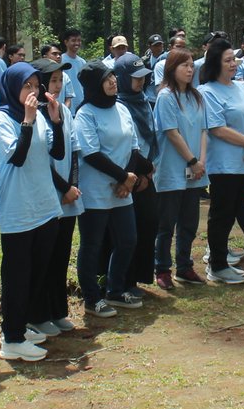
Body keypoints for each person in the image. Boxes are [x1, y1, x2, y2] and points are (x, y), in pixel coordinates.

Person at [0, 61, 64, 357]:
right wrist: (29, 121)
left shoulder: (39, 116)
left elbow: (57, 152)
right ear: (12, 88)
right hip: (18, 208)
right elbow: (17, 157)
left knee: (38, 271)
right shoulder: (2, 118)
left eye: (36, 86)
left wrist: (55, 122)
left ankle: (22, 326)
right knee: (17, 275)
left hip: (44, 204)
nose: (33, 91)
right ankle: (11, 339)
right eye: (26, 86)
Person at [77, 61, 148, 316]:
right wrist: (124, 177)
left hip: (122, 189)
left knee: (128, 240)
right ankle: (91, 299)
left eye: (113, 76)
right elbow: (91, 154)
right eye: (106, 78)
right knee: (92, 244)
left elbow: (134, 147)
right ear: (94, 84)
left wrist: (127, 179)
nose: (113, 81)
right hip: (96, 190)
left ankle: (115, 290)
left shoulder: (122, 108)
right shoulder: (85, 114)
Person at [197, 40, 244, 285]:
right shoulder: (208, 91)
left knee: (235, 210)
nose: (233, 64)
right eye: (227, 60)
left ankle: (221, 261)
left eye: (233, 59)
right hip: (224, 164)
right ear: (215, 64)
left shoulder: (239, 87)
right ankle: (217, 265)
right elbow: (217, 129)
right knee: (221, 214)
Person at [153, 48, 208, 288]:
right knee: (166, 224)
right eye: (184, 65)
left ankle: (184, 267)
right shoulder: (166, 97)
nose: (189, 69)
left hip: (195, 170)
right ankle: (162, 268)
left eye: (191, 65)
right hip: (172, 169)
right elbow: (172, 133)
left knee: (189, 222)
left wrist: (201, 161)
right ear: (171, 69)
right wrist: (193, 161)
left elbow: (204, 130)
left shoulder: (196, 96)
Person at [37, 62, 80, 335]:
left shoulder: (63, 110)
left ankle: (58, 311)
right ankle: (41, 314)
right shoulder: (34, 115)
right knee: (46, 258)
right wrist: (64, 188)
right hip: (48, 197)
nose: (57, 85)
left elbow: (74, 150)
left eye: (60, 80)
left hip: (68, 197)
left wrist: (73, 187)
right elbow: (43, 160)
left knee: (62, 256)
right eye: (52, 80)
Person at [114, 53, 161, 292]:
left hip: (147, 172)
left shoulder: (143, 100)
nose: (141, 81)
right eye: (135, 77)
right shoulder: (118, 105)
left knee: (149, 224)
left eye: (143, 77)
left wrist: (149, 170)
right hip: (129, 174)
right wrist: (140, 171)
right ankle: (125, 280)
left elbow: (152, 136)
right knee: (129, 232)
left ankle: (140, 277)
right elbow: (127, 145)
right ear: (122, 78)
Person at [60, 28, 88, 107]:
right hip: (66, 102)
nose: (77, 43)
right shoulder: (60, 61)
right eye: (73, 40)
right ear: (66, 42)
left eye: (79, 40)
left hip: (81, 102)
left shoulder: (82, 62)